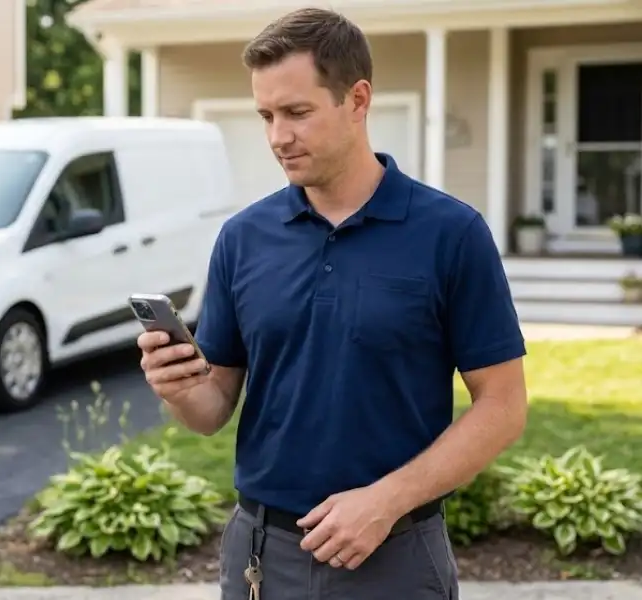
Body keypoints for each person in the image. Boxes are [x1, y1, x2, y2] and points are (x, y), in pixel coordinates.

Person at [137, 7, 528, 599]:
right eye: (266, 115)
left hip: (394, 555)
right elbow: (212, 410)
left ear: (358, 98)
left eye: (297, 112)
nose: (277, 137)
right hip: (262, 555)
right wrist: (179, 388)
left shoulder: (450, 233)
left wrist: (386, 500)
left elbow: (503, 406)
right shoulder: (243, 238)